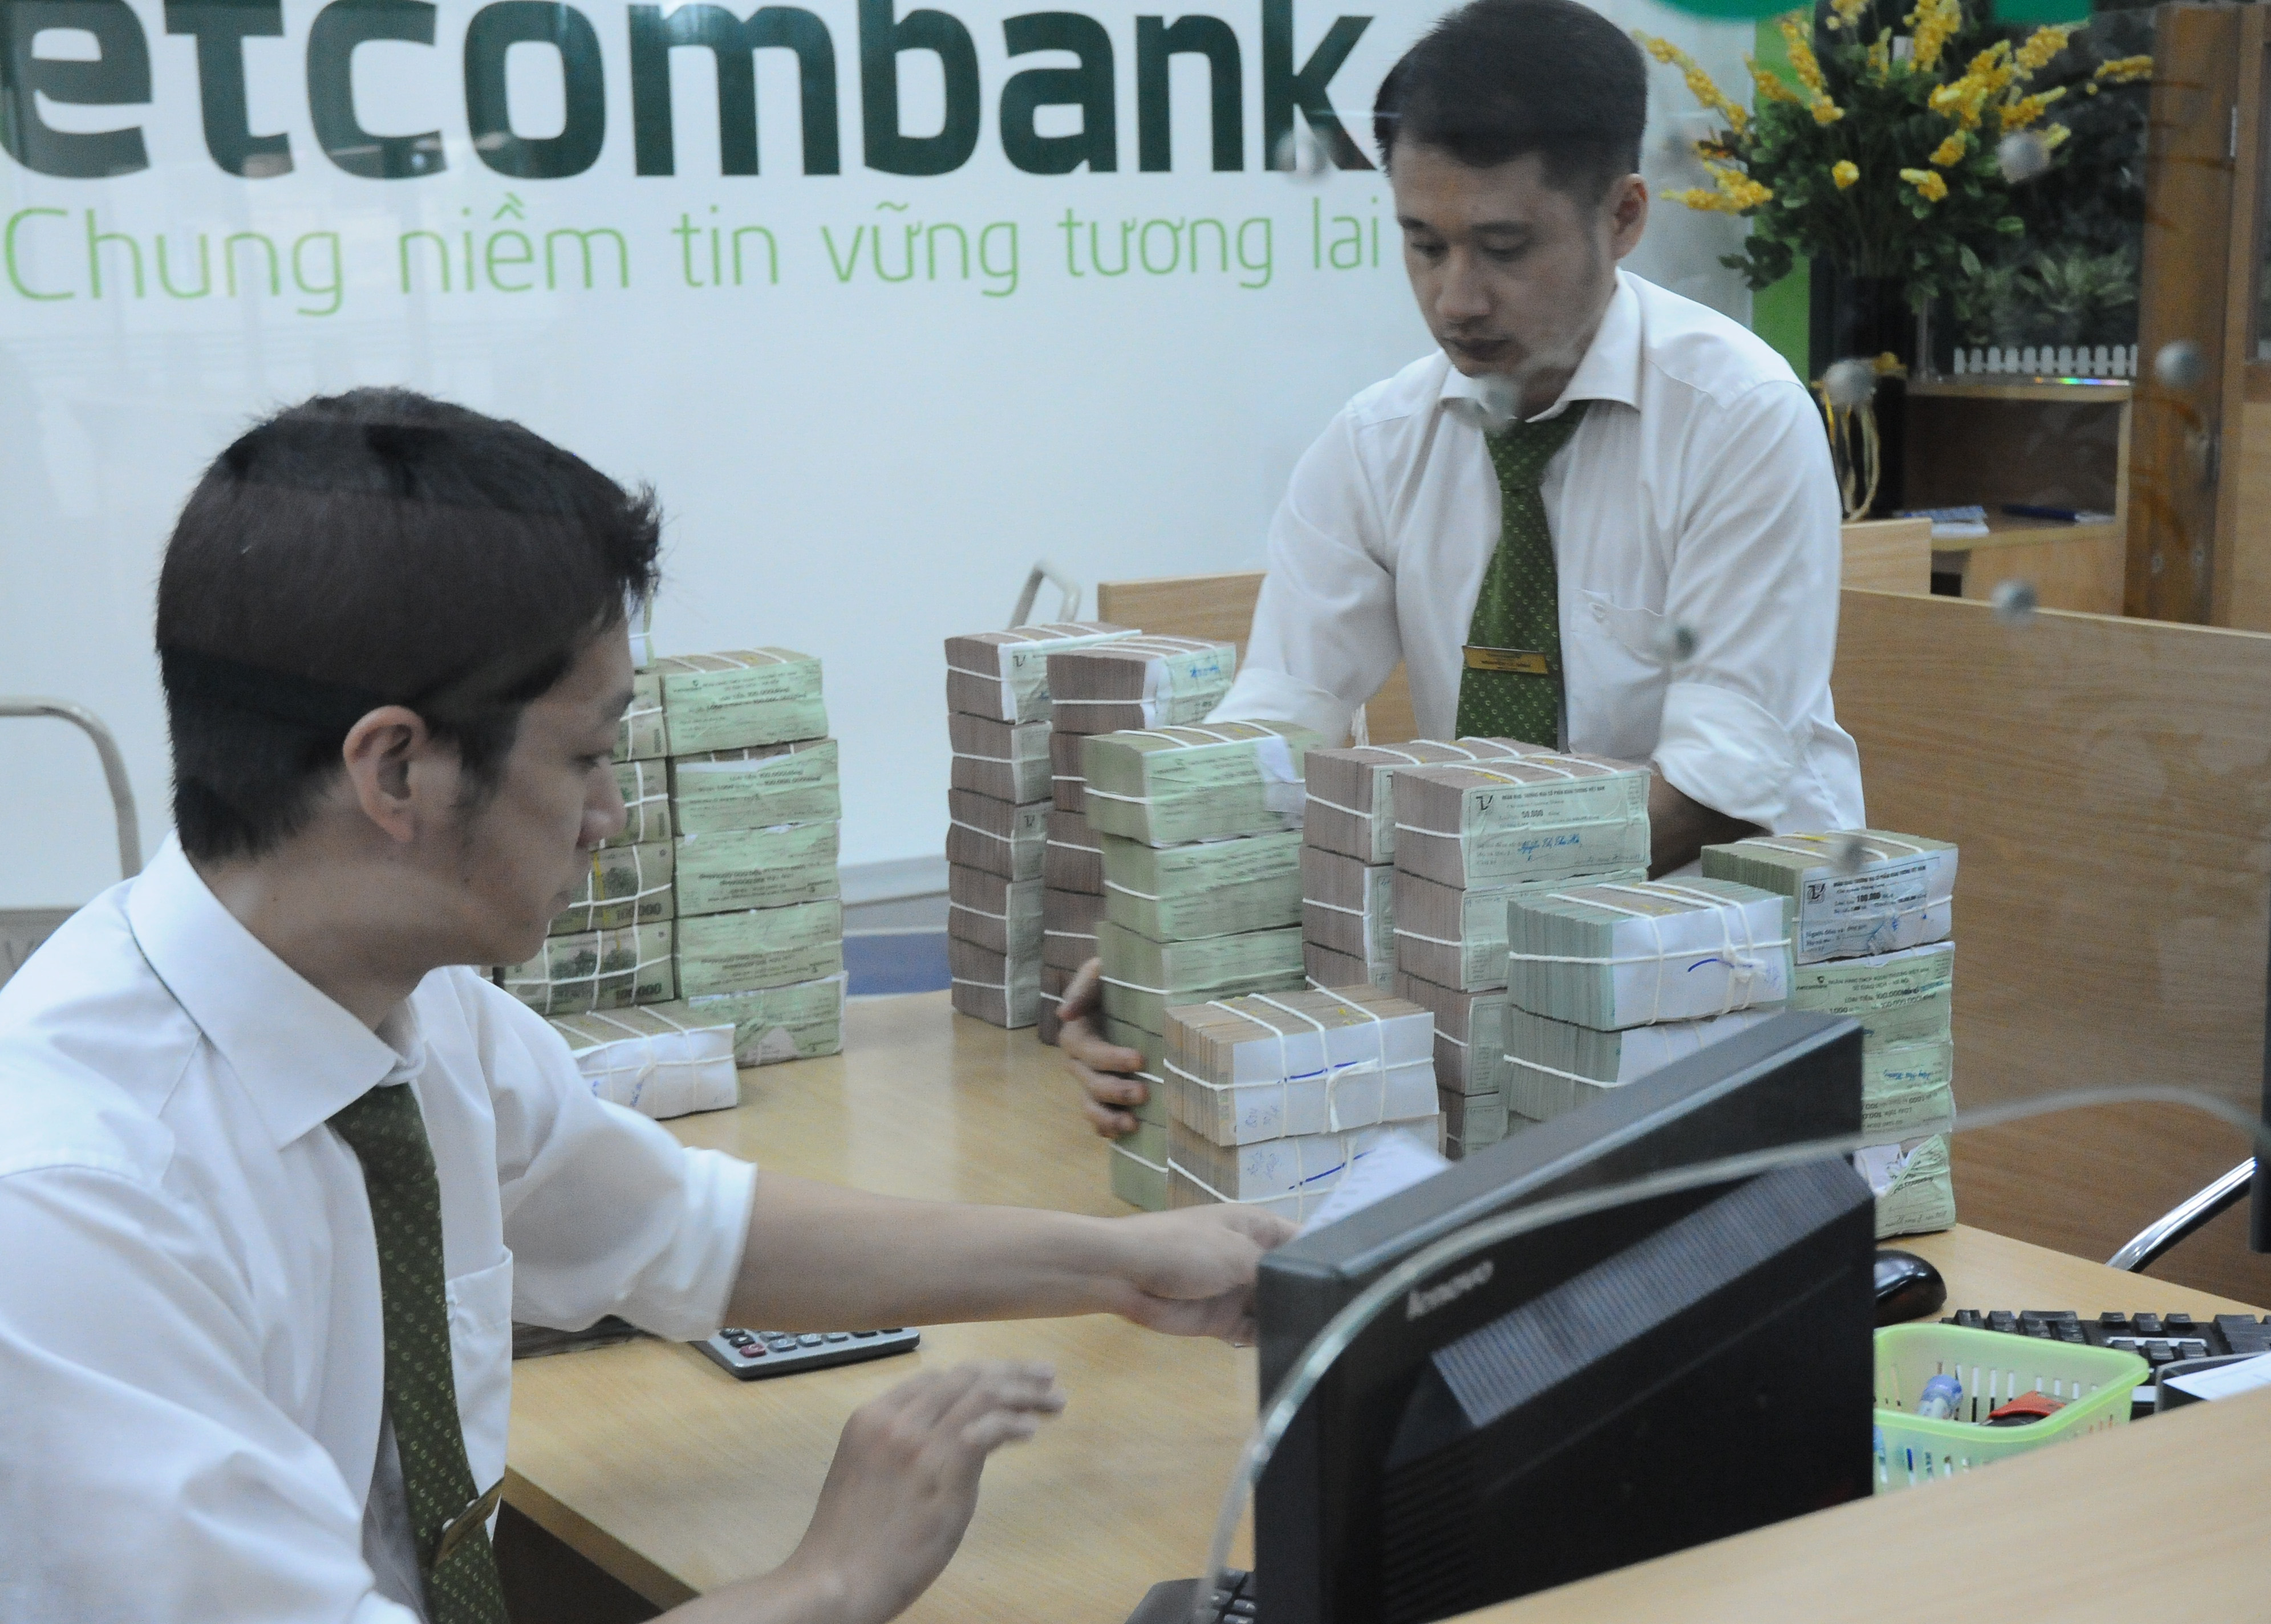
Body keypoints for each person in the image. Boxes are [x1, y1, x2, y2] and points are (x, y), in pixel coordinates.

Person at [0, 389, 1292, 1623]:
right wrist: (827, 1582)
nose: (610, 817)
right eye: (586, 756)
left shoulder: (410, 1015)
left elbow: (681, 1229)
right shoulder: (75, 1208)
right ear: (394, 769)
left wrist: (1122, 1264)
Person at [1061, 0, 1865, 1137]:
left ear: (1623, 216)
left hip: (1727, 982)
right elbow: (1276, 728)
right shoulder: (1376, 443)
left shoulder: (1739, 419)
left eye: (1504, 247)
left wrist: (1436, 898)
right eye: (1423, 244)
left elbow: (1716, 789)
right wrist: (1169, 934)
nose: (1456, 299)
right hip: (1481, 987)